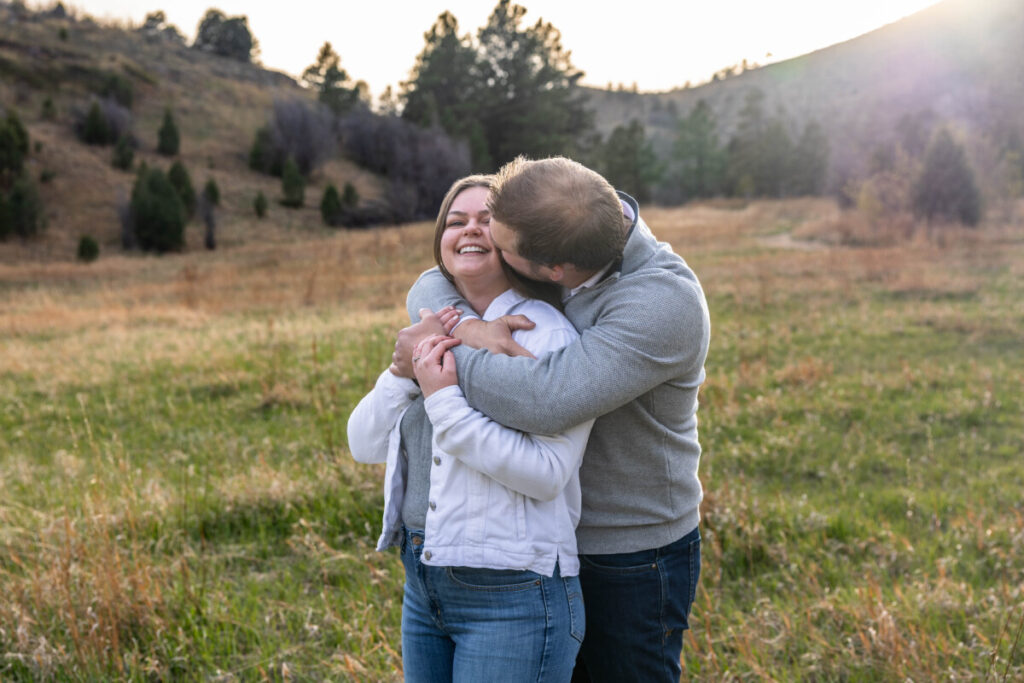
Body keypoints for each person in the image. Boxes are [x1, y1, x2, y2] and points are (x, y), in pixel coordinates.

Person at [393, 157, 710, 682]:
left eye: (502, 249)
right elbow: (434, 280)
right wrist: (467, 327)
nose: (489, 248)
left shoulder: (662, 303)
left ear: (553, 272)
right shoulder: (550, 208)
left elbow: (543, 399)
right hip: (538, 543)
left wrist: (434, 355)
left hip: (629, 549)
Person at [347, 175, 593, 683]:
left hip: (515, 593)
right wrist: (401, 373)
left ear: (516, 241)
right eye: (456, 221)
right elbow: (363, 443)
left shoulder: (546, 334)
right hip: (424, 583)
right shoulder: (430, 327)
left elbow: (548, 474)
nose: (470, 230)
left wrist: (444, 401)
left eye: (487, 221)